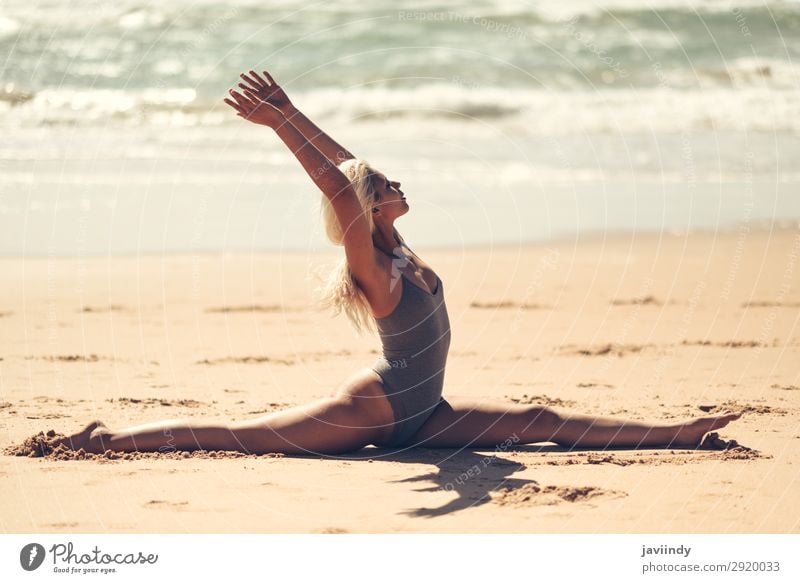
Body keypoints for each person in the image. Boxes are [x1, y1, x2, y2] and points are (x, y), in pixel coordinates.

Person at [58, 69, 741, 456]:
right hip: (378, 411)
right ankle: (106, 439)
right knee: (247, 436)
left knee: (540, 418)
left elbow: (348, 169)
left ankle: (680, 434)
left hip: (429, 412)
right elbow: (338, 183)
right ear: (375, 208)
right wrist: (277, 131)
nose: (396, 183)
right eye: (386, 186)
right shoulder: (375, 267)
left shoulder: (398, 248)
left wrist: (291, 110)